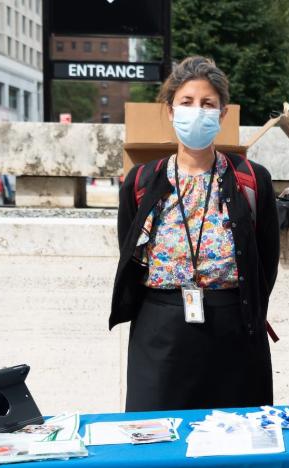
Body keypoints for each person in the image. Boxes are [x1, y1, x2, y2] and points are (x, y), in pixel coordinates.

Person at [109, 56, 279, 412]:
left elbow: (266, 260)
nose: (196, 112)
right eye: (186, 103)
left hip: (234, 329)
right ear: (170, 111)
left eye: (207, 104)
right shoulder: (141, 181)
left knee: (238, 437)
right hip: (160, 331)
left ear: (222, 114)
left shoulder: (252, 180)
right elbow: (130, 249)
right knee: (155, 440)